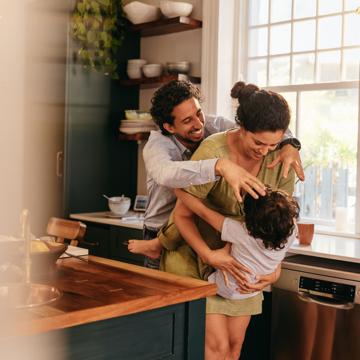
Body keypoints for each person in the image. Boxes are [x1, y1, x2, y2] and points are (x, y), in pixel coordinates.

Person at [156, 81, 297, 360]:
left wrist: (274, 270)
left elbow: (281, 226)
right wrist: (209, 255)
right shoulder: (212, 151)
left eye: (273, 144)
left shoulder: (283, 161)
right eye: (258, 142)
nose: (264, 151)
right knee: (216, 349)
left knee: (234, 348)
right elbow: (183, 213)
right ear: (241, 127)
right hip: (197, 255)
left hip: (241, 267)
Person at [130, 80, 303, 280]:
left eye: (199, 113)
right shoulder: (157, 145)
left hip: (199, 222)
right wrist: (219, 166)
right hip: (162, 225)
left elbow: (261, 126)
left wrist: (290, 143)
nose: (198, 124)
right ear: (169, 126)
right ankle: (158, 245)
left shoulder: (212, 125)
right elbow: (164, 174)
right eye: (187, 121)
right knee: (158, 304)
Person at [172, 185, 298, 355]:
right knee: (233, 347)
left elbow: (202, 212)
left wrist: (178, 191)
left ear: (251, 222)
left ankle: (160, 242)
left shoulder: (241, 231)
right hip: (250, 289)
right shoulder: (291, 232)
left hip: (223, 284)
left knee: (207, 249)